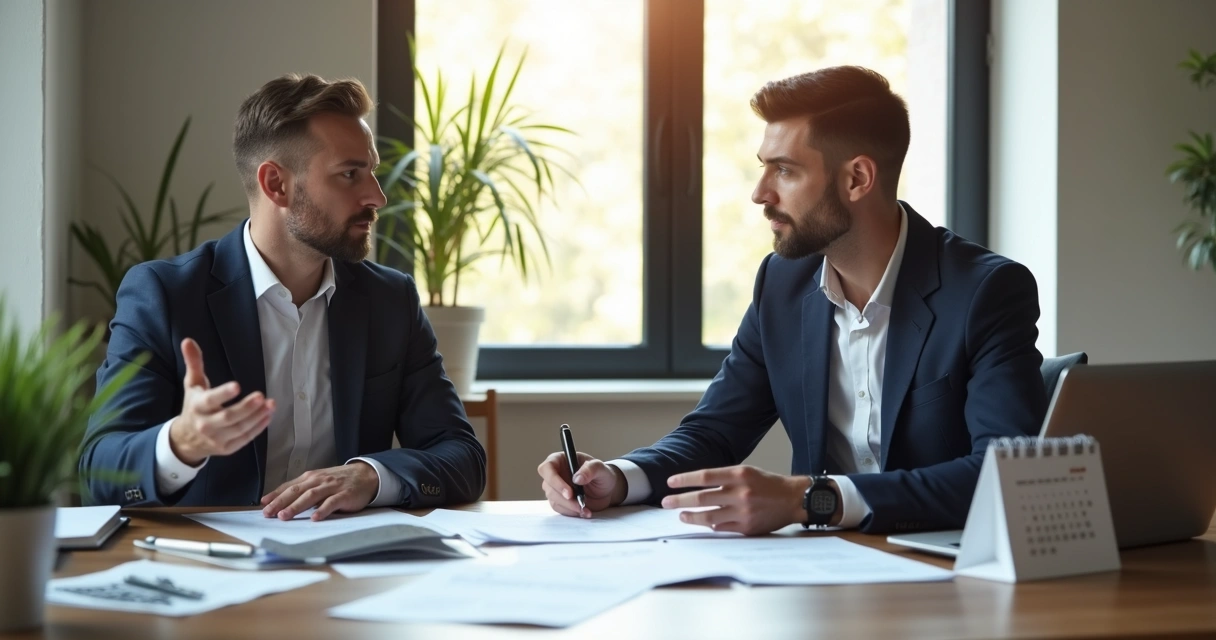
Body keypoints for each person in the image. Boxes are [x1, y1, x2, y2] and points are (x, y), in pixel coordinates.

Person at [537, 66, 1047, 535]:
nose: (760, 193)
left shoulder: (985, 292)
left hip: (942, 569)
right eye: (764, 168)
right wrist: (618, 478)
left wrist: (810, 500)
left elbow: (1000, 472)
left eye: (784, 170)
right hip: (820, 570)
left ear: (857, 179)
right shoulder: (781, 284)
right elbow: (716, 432)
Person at [80, 74, 486, 520]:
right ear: (276, 184)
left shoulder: (391, 301)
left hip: (349, 555)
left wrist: (370, 476)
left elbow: (462, 456)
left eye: (371, 172)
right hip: (210, 556)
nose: (377, 196)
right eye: (350, 174)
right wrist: (180, 444)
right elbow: (99, 472)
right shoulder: (165, 295)